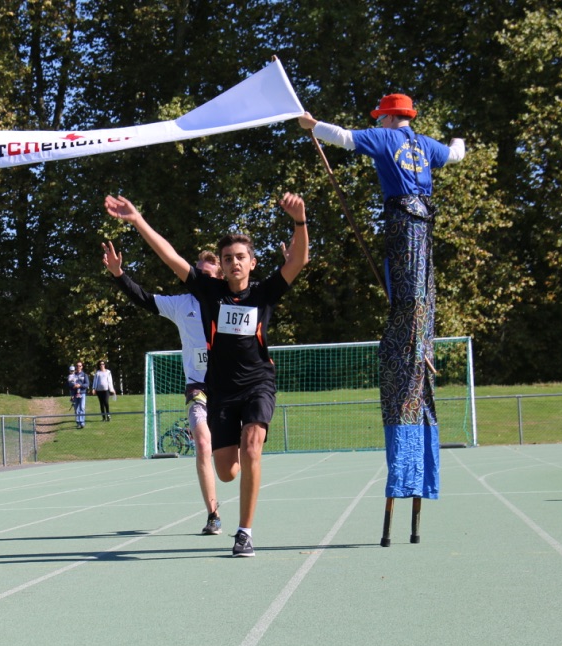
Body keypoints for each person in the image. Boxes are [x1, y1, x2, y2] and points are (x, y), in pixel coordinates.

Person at [104, 192, 309, 557]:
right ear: (222, 266)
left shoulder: (264, 293)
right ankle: (240, 466)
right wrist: (137, 221)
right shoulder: (208, 293)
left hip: (258, 383)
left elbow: (299, 261)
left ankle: (244, 532)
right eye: (228, 258)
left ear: (252, 263)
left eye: (240, 257)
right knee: (227, 472)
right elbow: (171, 257)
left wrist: (299, 221)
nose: (234, 263)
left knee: (252, 446)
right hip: (220, 390)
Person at [298, 94, 465, 506]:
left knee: (407, 298)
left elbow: (344, 138)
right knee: (414, 293)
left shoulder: (387, 139)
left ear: (390, 117)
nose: (378, 122)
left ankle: (408, 343)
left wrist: (312, 126)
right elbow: (455, 155)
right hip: (423, 224)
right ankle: (413, 334)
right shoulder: (426, 145)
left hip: (402, 223)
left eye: (381, 117)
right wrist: (459, 139)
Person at [102, 245, 225, 535]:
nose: (200, 279)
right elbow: (144, 298)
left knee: (230, 464)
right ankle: (213, 514)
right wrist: (119, 274)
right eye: (197, 273)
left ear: (219, 278)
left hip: (228, 388)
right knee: (202, 444)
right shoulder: (182, 304)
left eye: (207, 275)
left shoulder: (230, 302)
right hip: (198, 388)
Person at [67, 362, 90, 428]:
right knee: (76, 408)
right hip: (75, 394)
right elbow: (69, 384)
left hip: (82, 393)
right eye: (77, 366)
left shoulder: (84, 375)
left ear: (82, 367)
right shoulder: (73, 374)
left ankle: (82, 422)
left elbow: (87, 384)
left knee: (82, 407)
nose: (78, 367)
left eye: (80, 366)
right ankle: (78, 423)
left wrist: (80, 385)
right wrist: (73, 386)